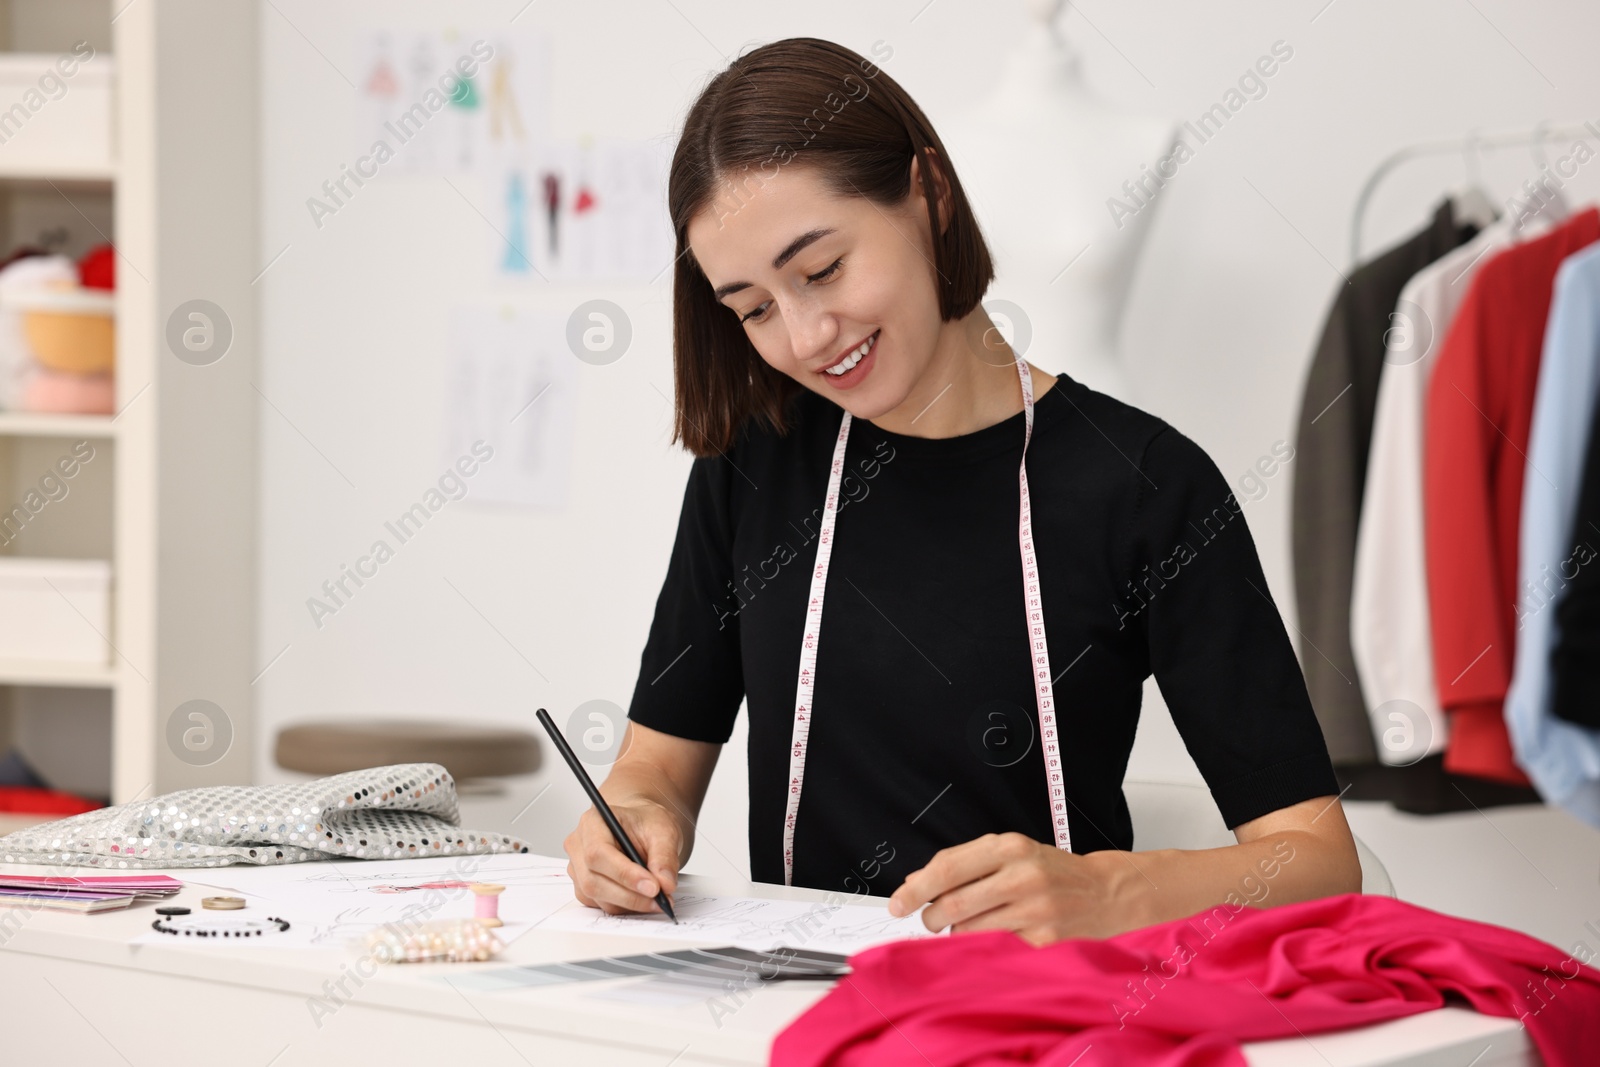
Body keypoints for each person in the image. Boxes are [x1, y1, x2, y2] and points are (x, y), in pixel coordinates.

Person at [562, 37, 1361, 945]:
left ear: (930, 195)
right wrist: (631, 821)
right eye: (752, 308)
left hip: (1045, 1020)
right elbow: (653, 769)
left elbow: (1318, 859)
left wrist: (1112, 893)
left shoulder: (1144, 486)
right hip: (802, 1013)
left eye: (821, 269)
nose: (807, 334)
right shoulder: (754, 464)